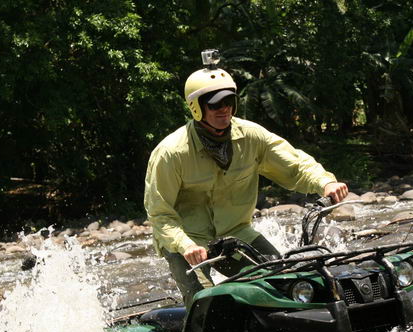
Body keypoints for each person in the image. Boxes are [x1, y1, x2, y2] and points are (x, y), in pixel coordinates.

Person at [144, 51, 348, 308]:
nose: (224, 109)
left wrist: (325, 182)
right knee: (205, 302)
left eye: (229, 101)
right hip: (188, 243)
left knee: (282, 279)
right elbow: (160, 214)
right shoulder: (171, 153)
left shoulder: (252, 137)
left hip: (237, 234)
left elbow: (294, 165)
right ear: (197, 107)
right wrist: (185, 245)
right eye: (215, 104)